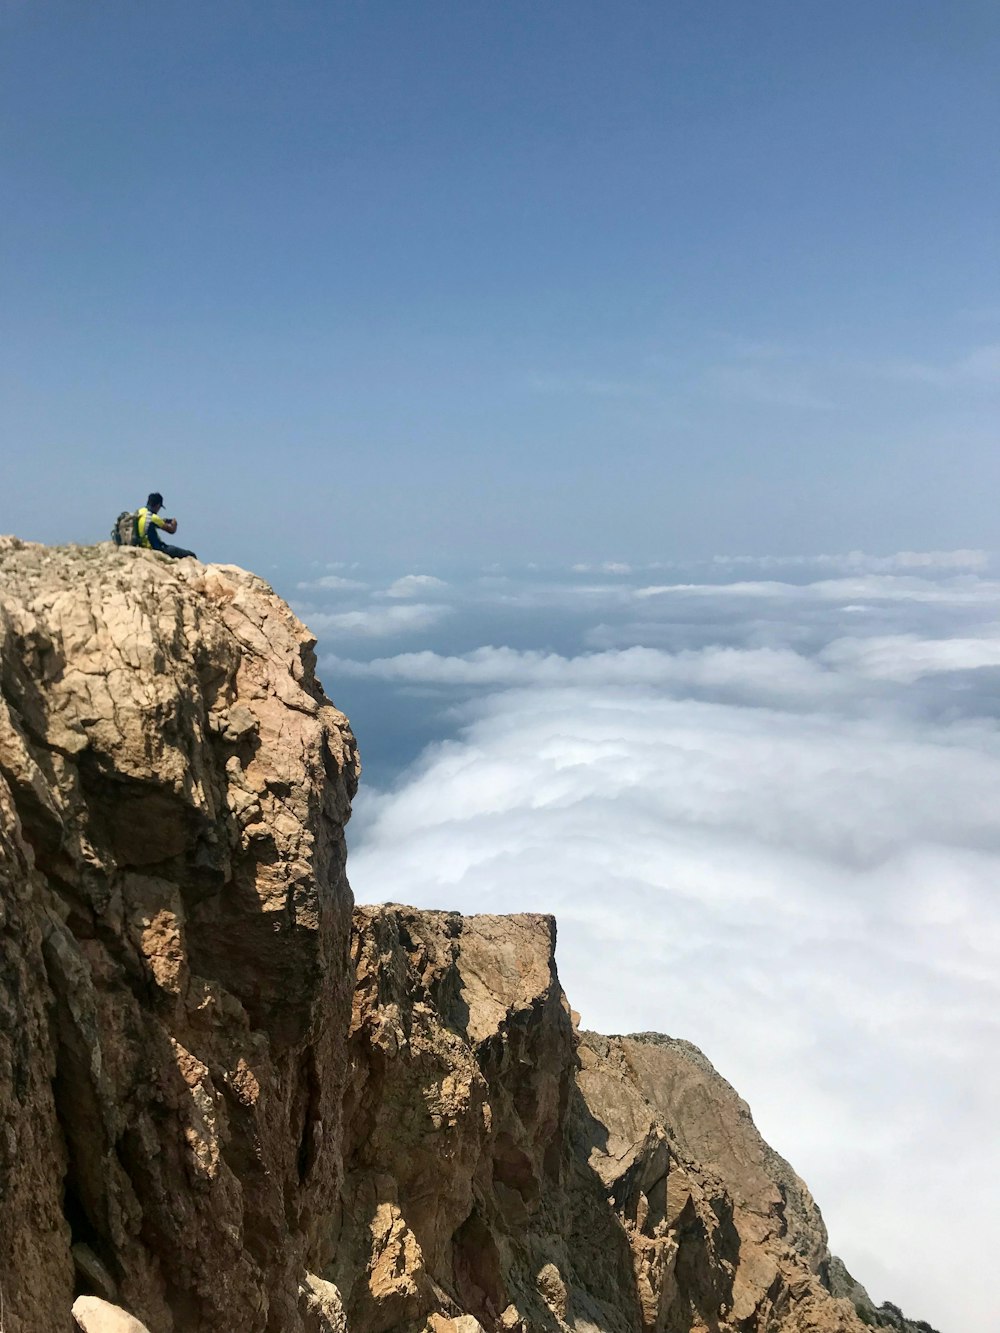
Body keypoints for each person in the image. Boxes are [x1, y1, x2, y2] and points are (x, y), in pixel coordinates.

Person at [136, 492, 197, 560]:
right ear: (158, 505)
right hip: (155, 548)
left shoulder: (139, 512)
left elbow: (148, 523)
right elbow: (171, 530)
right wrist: (174, 523)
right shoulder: (154, 518)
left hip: (140, 544)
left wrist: (163, 521)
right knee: (190, 554)